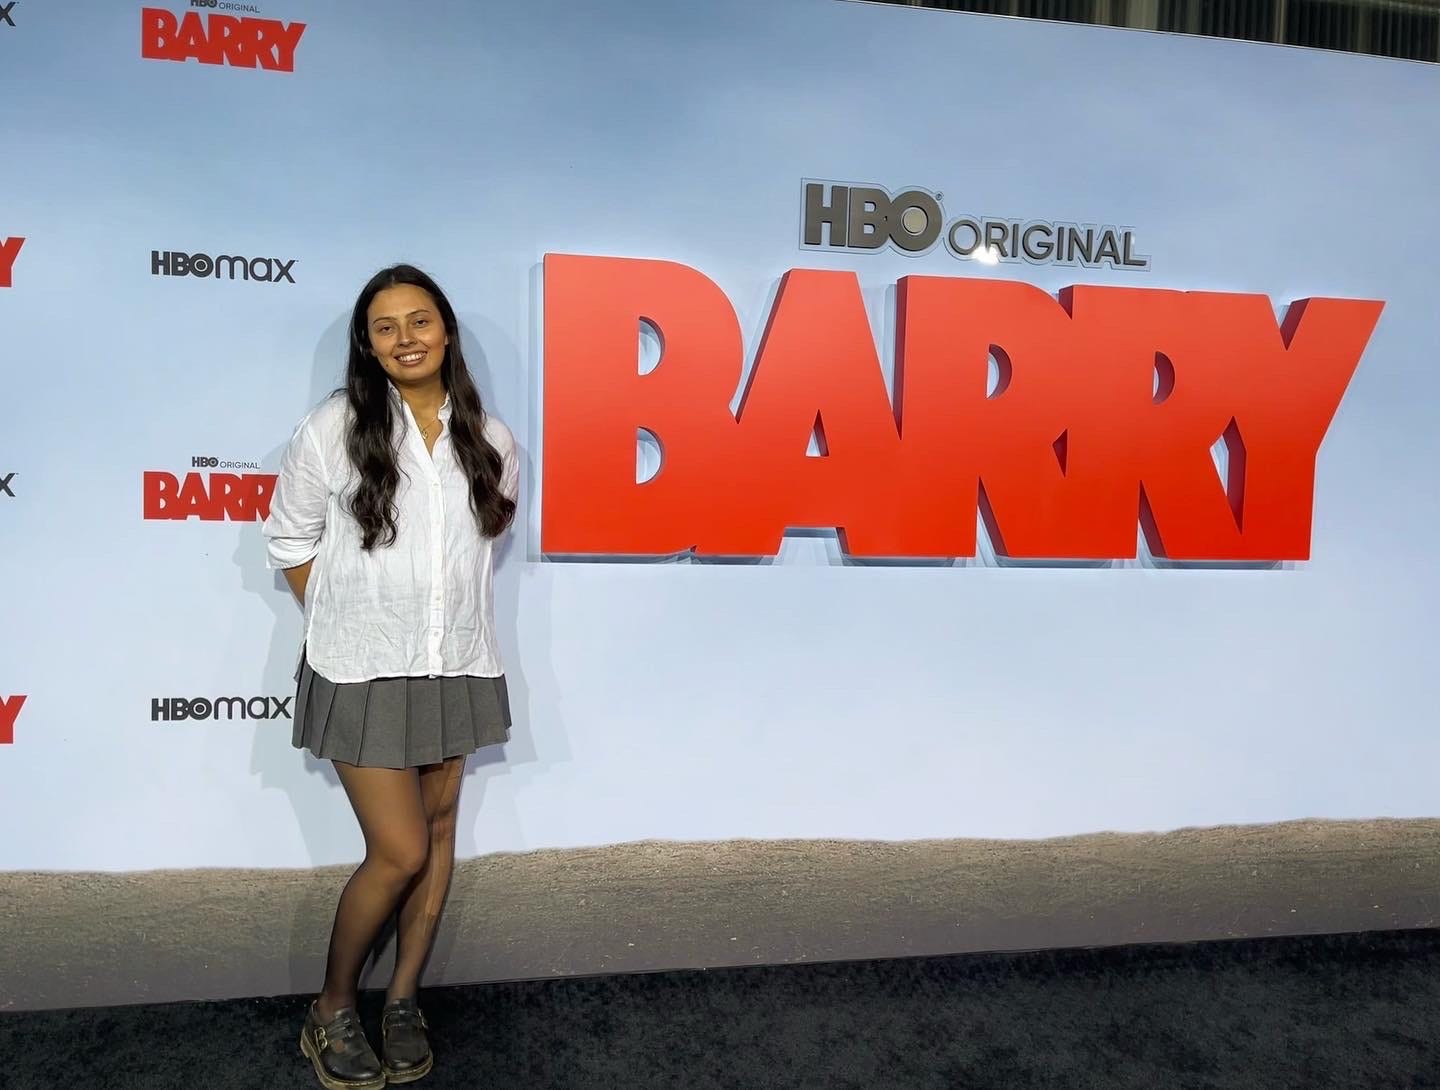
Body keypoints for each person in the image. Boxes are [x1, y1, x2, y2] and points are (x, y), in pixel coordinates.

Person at [262, 264, 518, 1089]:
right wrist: (347, 616)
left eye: (419, 320)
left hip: (456, 662)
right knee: (400, 850)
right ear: (367, 345)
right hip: (363, 665)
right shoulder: (333, 428)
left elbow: (481, 547)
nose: (405, 337)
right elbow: (289, 543)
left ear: (446, 332)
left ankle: (403, 997)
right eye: (385, 326)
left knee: (439, 835)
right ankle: (333, 1006)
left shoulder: (494, 438)